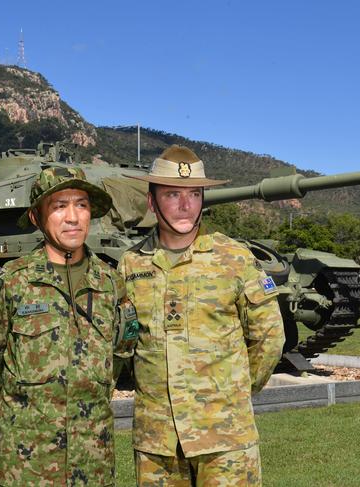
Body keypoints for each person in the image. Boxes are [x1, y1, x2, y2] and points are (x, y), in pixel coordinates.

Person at [119, 145, 285, 486]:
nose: (185, 205)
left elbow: (269, 338)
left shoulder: (234, 259)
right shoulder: (131, 264)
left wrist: (230, 395)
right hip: (157, 444)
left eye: (194, 194)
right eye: (172, 194)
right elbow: (124, 345)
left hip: (225, 440)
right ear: (152, 202)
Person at [0, 166, 136, 486]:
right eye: (59, 206)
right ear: (36, 217)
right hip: (24, 466)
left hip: (92, 463)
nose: (73, 217)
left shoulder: (111, 284)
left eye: (81, 204)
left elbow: (117, 358)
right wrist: (15, 423)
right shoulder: (12, 282)